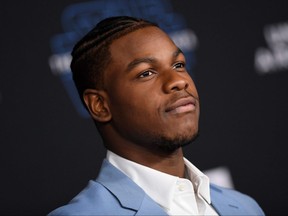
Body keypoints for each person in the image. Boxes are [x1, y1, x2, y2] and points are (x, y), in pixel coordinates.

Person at [48, 16, 265, 215]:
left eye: (178, 64)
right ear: (100, 106)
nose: (179, 81)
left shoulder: (245, 207)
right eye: (146, 73)